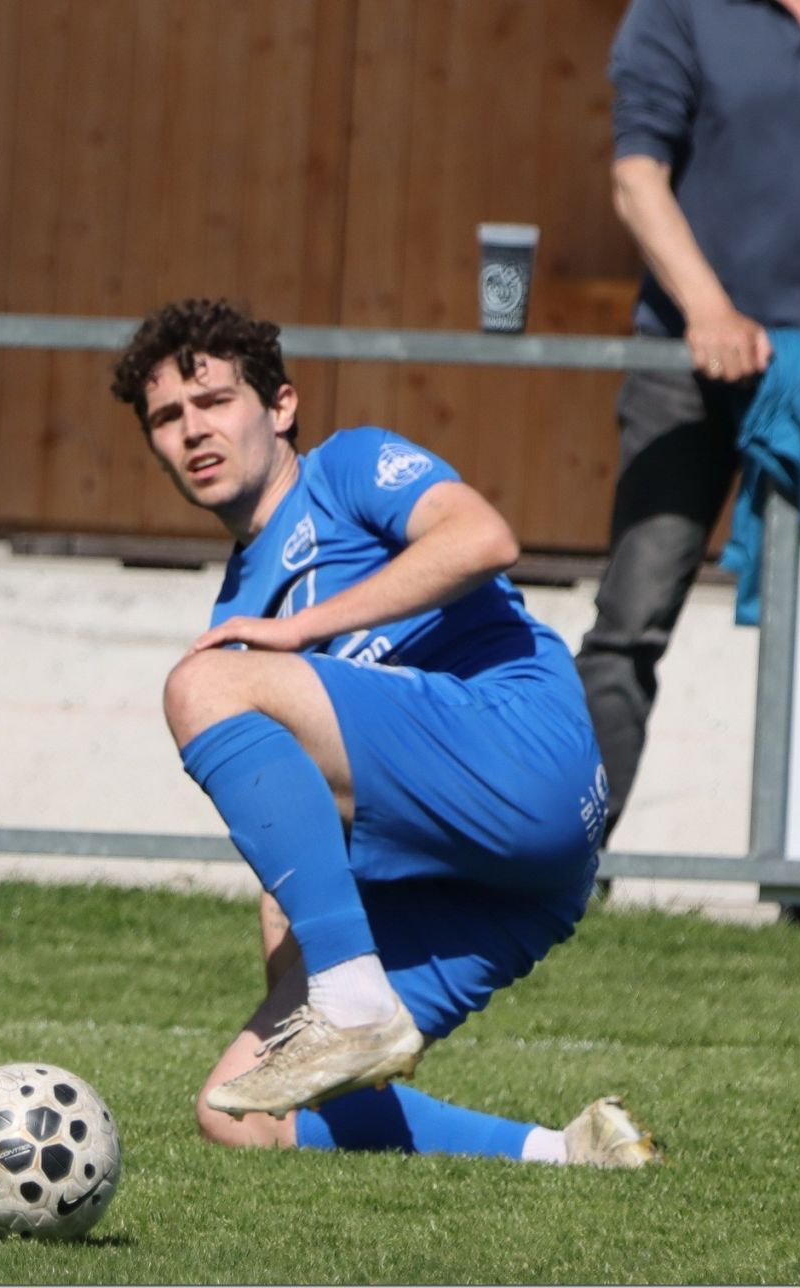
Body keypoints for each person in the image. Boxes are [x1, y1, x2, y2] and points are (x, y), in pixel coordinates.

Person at [111, 298, 656, 1167]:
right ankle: (565, 1153)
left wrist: (298, 628)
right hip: (513, 882)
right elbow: (295, 831)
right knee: (243, 1106)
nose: (192, 431)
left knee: (198, 683)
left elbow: (484, 537)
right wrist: (298, 998)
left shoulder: (346, 469)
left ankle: (353, 994)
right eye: (167, 418)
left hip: (525, 750)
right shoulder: (236, 612)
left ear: (280, 406)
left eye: (213, 401)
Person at [575, 0, 800, 840]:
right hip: (687, 365)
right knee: (632, 619)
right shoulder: (679, 7)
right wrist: (710, 313)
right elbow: (637, 175)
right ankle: (560, 867)